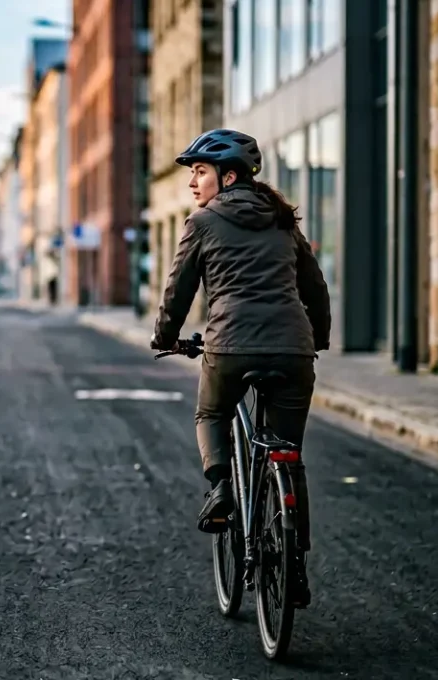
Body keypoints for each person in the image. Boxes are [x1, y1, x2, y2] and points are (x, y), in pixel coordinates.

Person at [149, 128, 331, 606]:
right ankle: (294, 565)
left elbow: (178, 291)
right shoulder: (283, 221)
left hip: (229, 347)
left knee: (211, 415)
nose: (192, 182)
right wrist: (321, 338)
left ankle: (222, 488)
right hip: (294, 350)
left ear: (229, 177)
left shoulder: (203, 221)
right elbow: (315, 290)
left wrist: (165, 338)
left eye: (201, 171)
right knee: (289, 453)